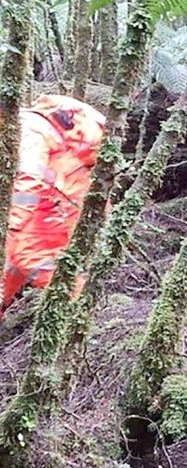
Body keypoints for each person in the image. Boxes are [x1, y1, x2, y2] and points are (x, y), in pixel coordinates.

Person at [2, 95, 106, 315]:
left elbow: (28, 179)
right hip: (59, 198)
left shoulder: (29, 128)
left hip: (60, 202)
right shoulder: (23, 128)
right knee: (13, 260)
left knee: (32, 258)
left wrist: (11, 225)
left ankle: (83, 312)